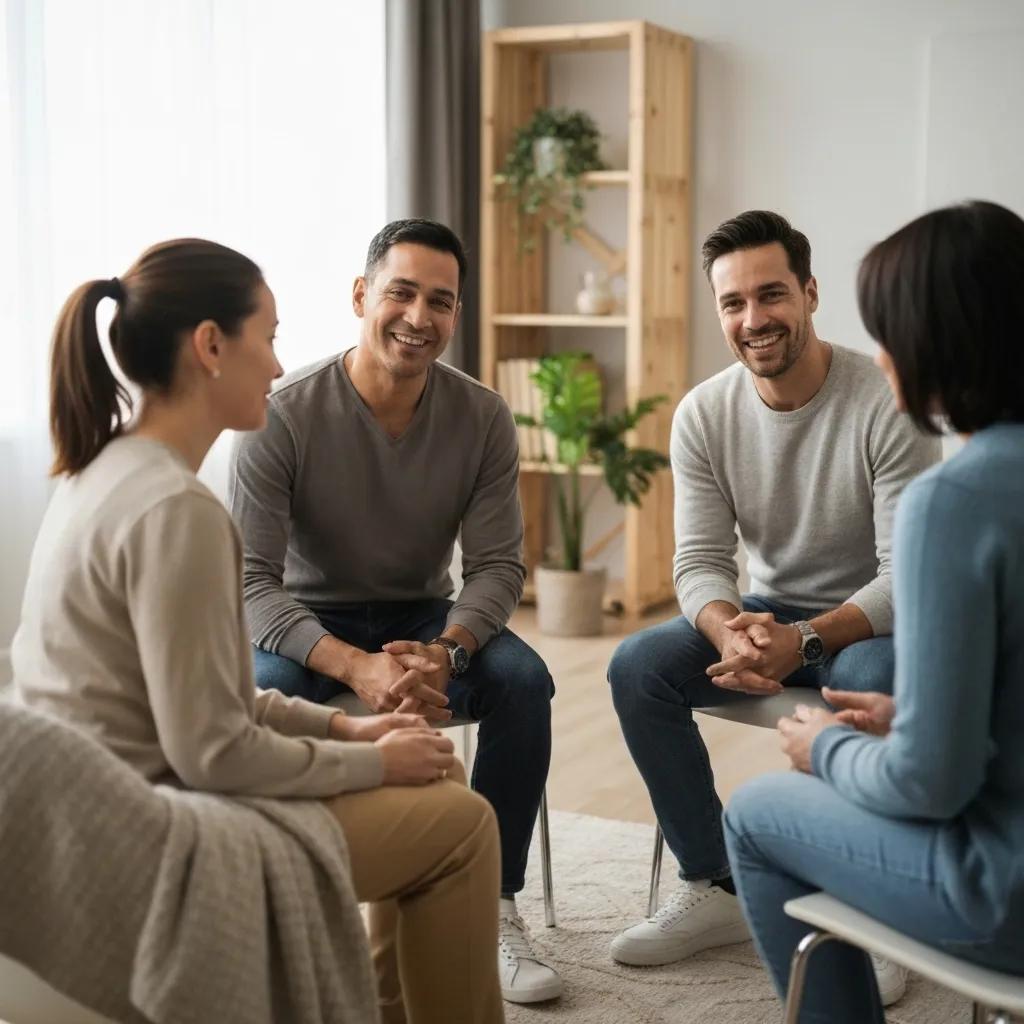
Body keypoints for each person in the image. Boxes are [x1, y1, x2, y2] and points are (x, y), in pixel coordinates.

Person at [12, 238, 505, 1024]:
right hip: (150, 824)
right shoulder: (177, 511)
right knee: (466, 826)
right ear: (212, 346)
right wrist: (367, 765)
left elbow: (215, 701)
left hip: (107, 791)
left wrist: (351, 727)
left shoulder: (101, 470)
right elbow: (213, 751)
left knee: (431, 769)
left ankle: (387, 1008)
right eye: (268, 339)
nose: (278, 367)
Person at [606, 210, 940, 1005]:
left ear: (810, 293)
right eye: (732, 303)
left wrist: (803, 641)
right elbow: (698, 561)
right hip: (762, 607)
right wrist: (731, 627)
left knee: (880, 676)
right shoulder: (704, 413)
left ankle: (867, 911)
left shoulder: (884, 401)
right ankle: (714, 882)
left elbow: (905, 579)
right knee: (637, 667)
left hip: (867, 618)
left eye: (771, 295)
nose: (753, 319)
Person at [227, 218, 561, 1005]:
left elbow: (498, 566)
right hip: (306, 626)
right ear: (360, 296)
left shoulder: (482, 417)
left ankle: (494, 902)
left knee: (523, 683)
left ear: (455, 315)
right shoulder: (281, 415)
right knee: (257, 700)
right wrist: (352, 666)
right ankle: (285, 904)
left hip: (423, 620)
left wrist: (445, 649)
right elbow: (249, 583)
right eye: (401, 293)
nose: (419, 317)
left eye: (440, 302)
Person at [723, 199, 1024, 1022]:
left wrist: (822, 748)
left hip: (1004, 893)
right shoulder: (710, 412)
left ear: (937, 343)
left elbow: (931, 782)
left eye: (888, 329)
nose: (882, 353)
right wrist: (916, 714)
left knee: (752, 812)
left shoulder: (957, 500)